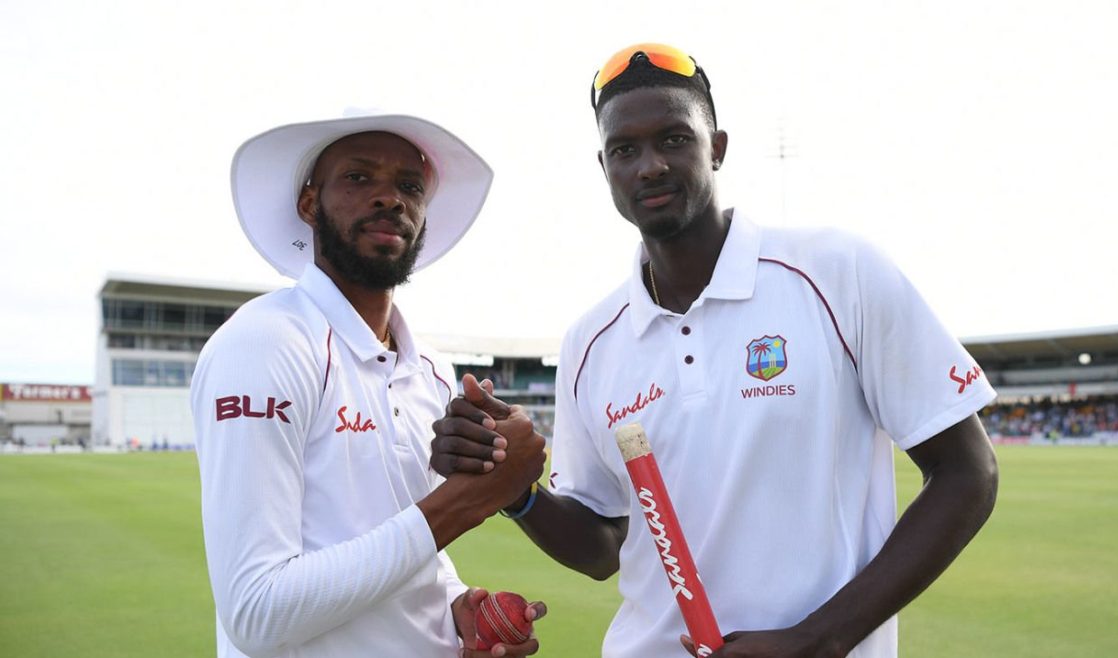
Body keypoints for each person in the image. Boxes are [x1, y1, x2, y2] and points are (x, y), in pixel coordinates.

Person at [432, 44, 999, 657]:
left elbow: (967, 472)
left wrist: (818, 638)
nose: (650, 166)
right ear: (605, 168)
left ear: (717, 148)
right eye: (625, 150)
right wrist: (517, 491)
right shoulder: (591, 342)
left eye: (674, 139)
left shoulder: (838, 273)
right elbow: (603, 547)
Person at [192, 112, 548, 658]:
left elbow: (412, 545)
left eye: (410, 186)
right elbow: (256, 612)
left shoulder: (432, 369)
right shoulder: (264, 344)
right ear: (309, 203)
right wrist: (469, 501)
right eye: (358, 177)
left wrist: (454, 603)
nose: (390, 198)